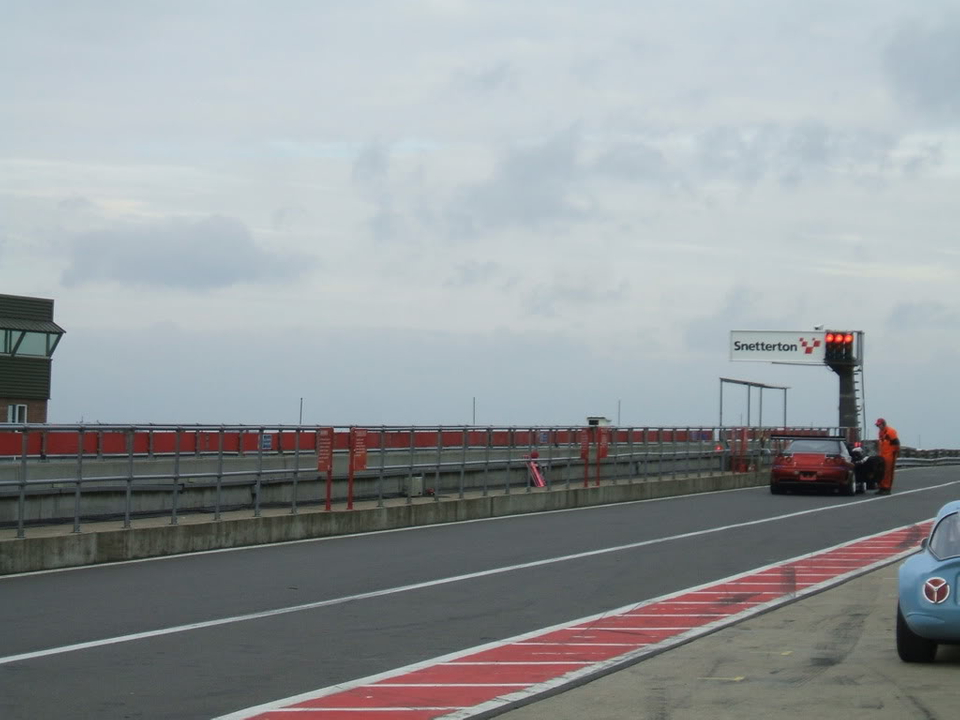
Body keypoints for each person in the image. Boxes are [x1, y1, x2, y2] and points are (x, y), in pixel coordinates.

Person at [875, 418, 900, 495]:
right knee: (881, 471)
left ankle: (887, 488)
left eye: (879, 425)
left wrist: (896, 453)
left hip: (889, 455)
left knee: (888, 472)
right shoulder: (880, 432)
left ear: (883, 424)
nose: (878, 427)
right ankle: (881, 487)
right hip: (882, 454)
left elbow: (896, 443)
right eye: (877, 425)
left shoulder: (891, 432)